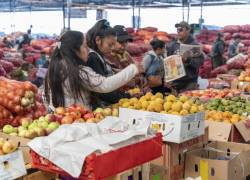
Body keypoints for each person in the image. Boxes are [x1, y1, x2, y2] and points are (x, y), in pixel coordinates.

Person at [44, 30, 142, 110]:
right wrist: (133, 69)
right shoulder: (78, 72)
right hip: (77, 121)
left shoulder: (55, 67)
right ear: (75, 50)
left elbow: (45, 96)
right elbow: (105, 85)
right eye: (85, 46)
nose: (88, 50)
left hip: (62, 118)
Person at [86, 19, 133, 108]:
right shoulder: (93, 57)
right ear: (98, 40)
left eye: (113, 45)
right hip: (99, 108)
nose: (112, 48)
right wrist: (126, 97)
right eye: (110, 45)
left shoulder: (98, 55)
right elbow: (102, 89)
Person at [166, 21, 204, 92]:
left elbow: (200, 62)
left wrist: (188, 60)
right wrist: (168, 79)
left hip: (190, 82)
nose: (178, 32)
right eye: (177, 30)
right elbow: (168, 63)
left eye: (181, 30)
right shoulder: (172, 45)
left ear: (188, 30)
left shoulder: (195, 46)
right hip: (175, 82)